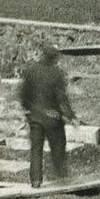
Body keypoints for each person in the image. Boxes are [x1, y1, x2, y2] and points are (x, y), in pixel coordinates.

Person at [20, 45, 75, 185]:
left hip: (35, 117)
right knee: (58, 148)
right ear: (54, 58)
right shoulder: (57, 74)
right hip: (53, 118)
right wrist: (70, 115)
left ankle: (36, 180)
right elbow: (62, 98)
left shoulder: (31, 70)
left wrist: (27, 109)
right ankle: (61, 178)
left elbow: (23, 93)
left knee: (36, 149)